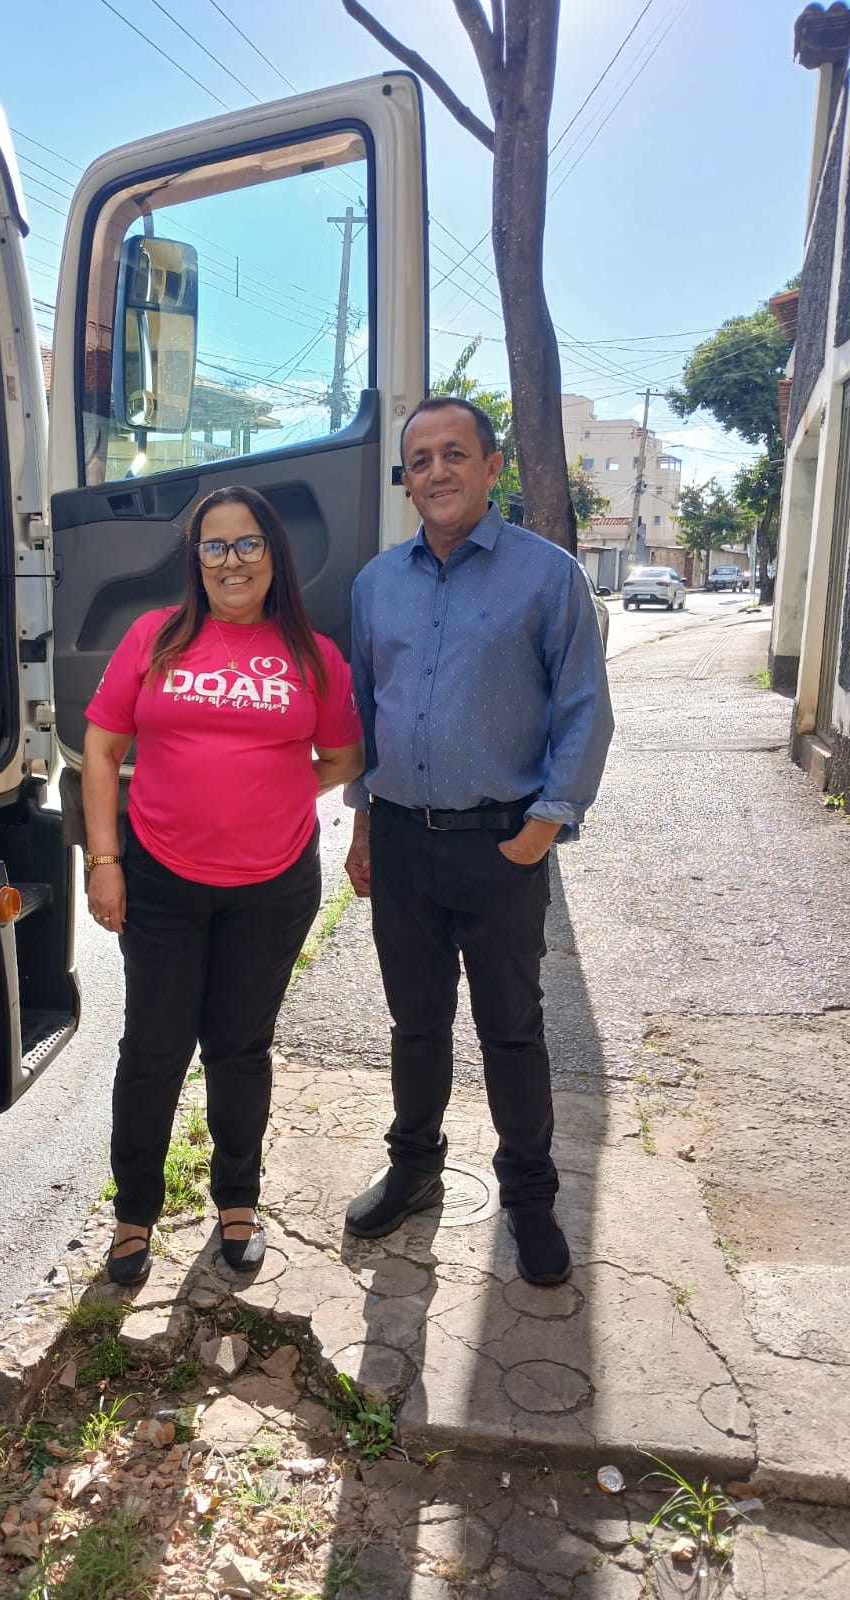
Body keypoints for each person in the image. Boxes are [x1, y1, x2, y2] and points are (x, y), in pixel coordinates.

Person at [343, 397, 613, 1286]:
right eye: (420, 460)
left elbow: (583, 711)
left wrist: (541, 830)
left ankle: (529, 1198)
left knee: (512, 1030)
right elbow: (366, 714)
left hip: (501, 848)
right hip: (403, 846)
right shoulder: (377, 584)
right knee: (416, 1025)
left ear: (492, 467)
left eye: (454, 454)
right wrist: (364, 825)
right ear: (408, 480)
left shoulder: (548, 576)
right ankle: (415, 1168)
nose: (437, 472)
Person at [83, 485, 364, 1285]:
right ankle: (135, 1212)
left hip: (273, 888)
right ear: (195, 559)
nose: (231, 561)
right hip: (160, 880)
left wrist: (274, 794)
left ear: (274, 555)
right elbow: (101, 751)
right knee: (154, 1049)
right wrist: (104, 862)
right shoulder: (154, 637)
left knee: (241, 1048)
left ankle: (237, 1200)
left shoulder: (313, 656)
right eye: (214, 545)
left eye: (247, 544)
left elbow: (343, 759)